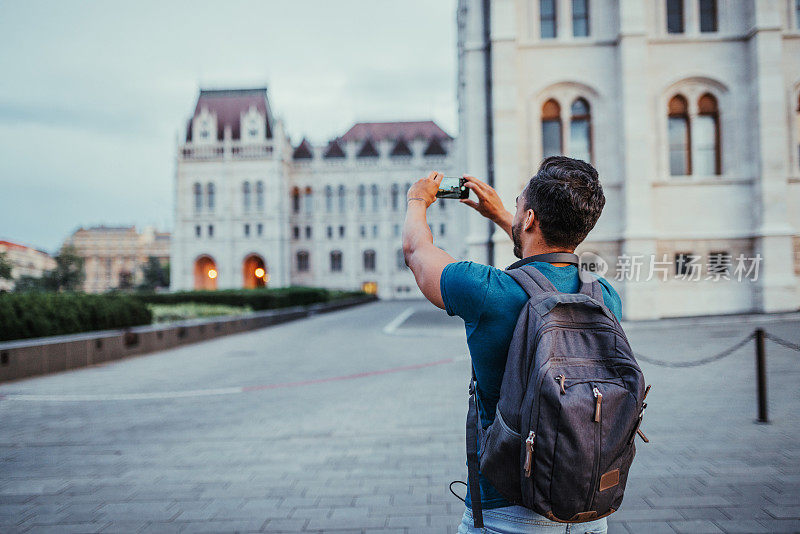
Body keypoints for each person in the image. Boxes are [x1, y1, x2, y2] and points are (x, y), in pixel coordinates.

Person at [402, 156, 620, 534]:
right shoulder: (605, 296)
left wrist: (417, 200)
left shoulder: (486, 289)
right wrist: (506, 214)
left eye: (520, 204)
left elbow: (416, 253)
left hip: (507, 511)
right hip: (588, 510)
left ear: (531, 219)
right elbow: (551, 265)